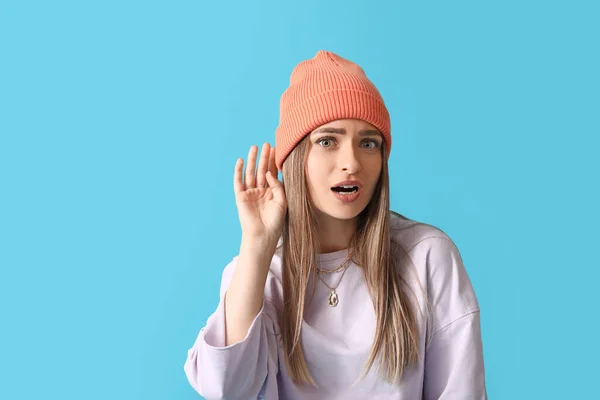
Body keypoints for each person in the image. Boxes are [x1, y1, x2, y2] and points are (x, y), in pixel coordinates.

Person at [183, 50, 487, 399]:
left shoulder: (427, 256)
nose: (351, 163)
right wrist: (256, 245)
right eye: (327, 141)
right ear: (296, 157)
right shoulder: (259, 272)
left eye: (368, 143)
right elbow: (223, 388)